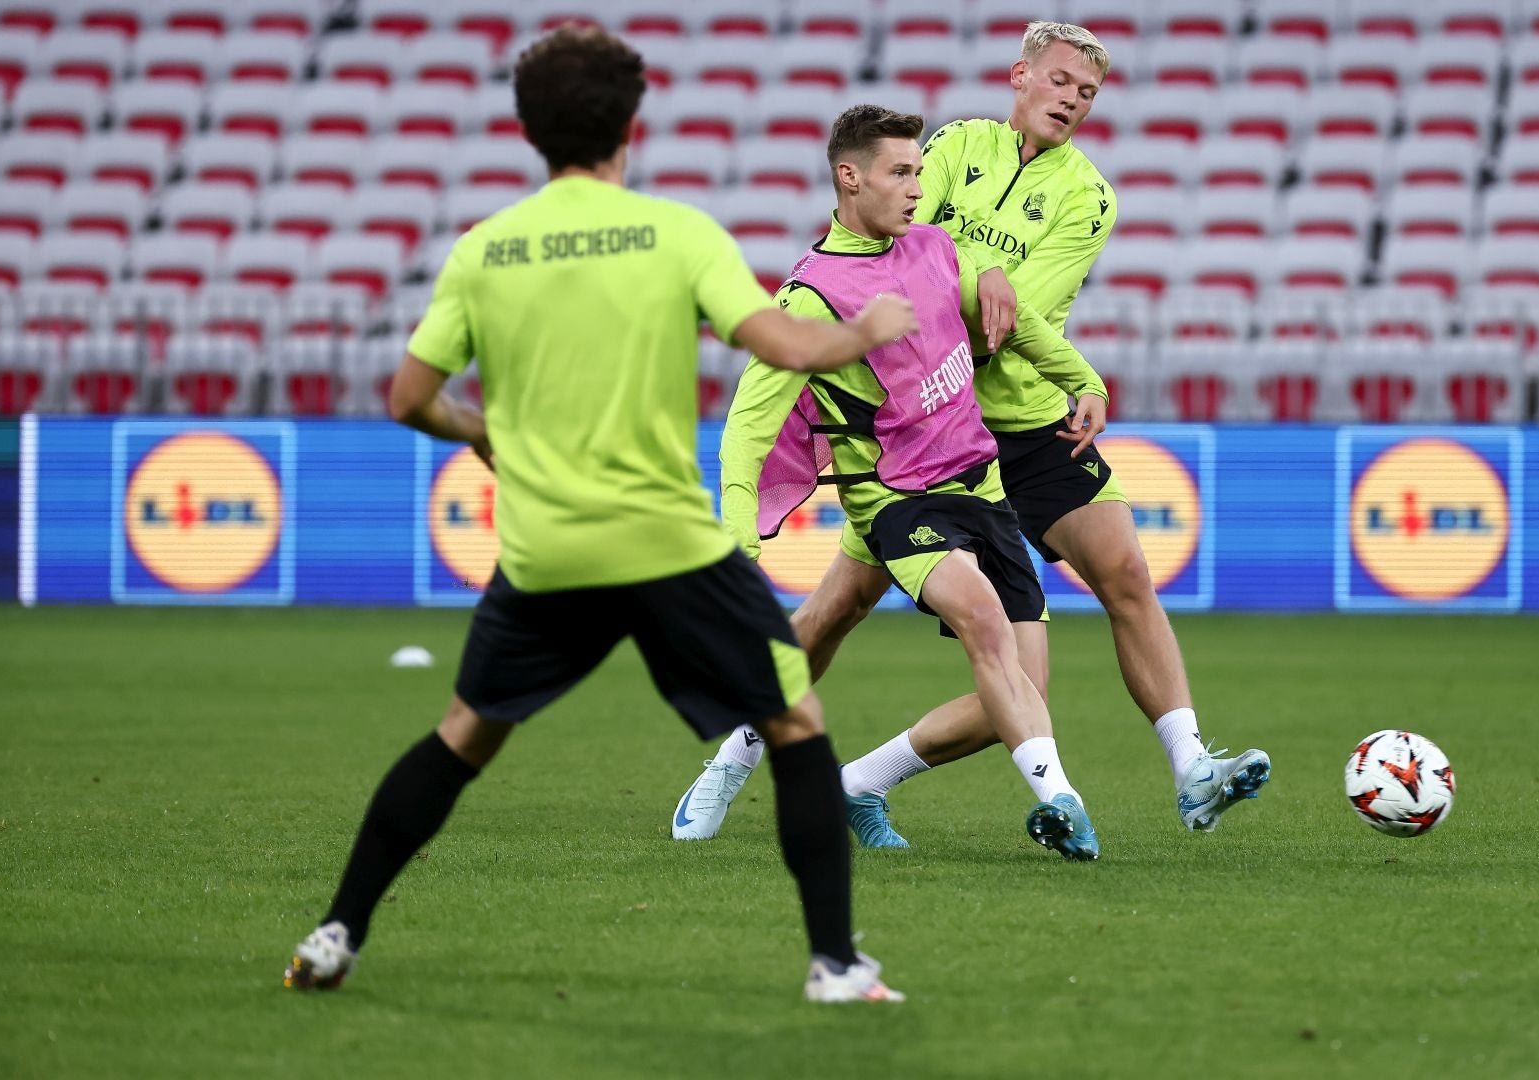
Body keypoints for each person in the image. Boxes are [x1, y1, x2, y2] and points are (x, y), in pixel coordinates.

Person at [281, 26, 915, 1003]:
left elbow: (408, 397)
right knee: (795, 722)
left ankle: (338, 930)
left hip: (546, 552)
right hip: (668, 545)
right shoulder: (676, 232)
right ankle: (834, 963)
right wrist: (863, 330)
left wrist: (472, 429)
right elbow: (785, 347)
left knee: (462, 734)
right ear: (630, 125)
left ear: (529, 130)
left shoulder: (485, 250)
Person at [672, 22, 1269, 843]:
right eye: (1061, 81)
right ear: (1021, 75)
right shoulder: (956, 144)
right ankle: (733, 759)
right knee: (835, 612)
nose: (1072, 99)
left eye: (1088, 92)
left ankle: (1192, 767)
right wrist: (968, 268)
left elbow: (999, 318)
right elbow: (908, 240)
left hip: (1017, 423)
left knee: (1121, 576)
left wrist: (1058, 357)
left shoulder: (1087, 196)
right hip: (913, 429)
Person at [704, 104, 1111, 859]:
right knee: (984, 624)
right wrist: (738, 537)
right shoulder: (811, 295)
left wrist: (1083, 379)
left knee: (1010, 694)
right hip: (895, 498)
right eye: (900, 172)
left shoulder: (933, 247)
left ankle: (851, 782)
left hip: (979, 487)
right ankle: (1061, 801)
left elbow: (1013, 325)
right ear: (849, 178)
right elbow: (746, 430)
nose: (918, 187)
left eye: (921, 170)